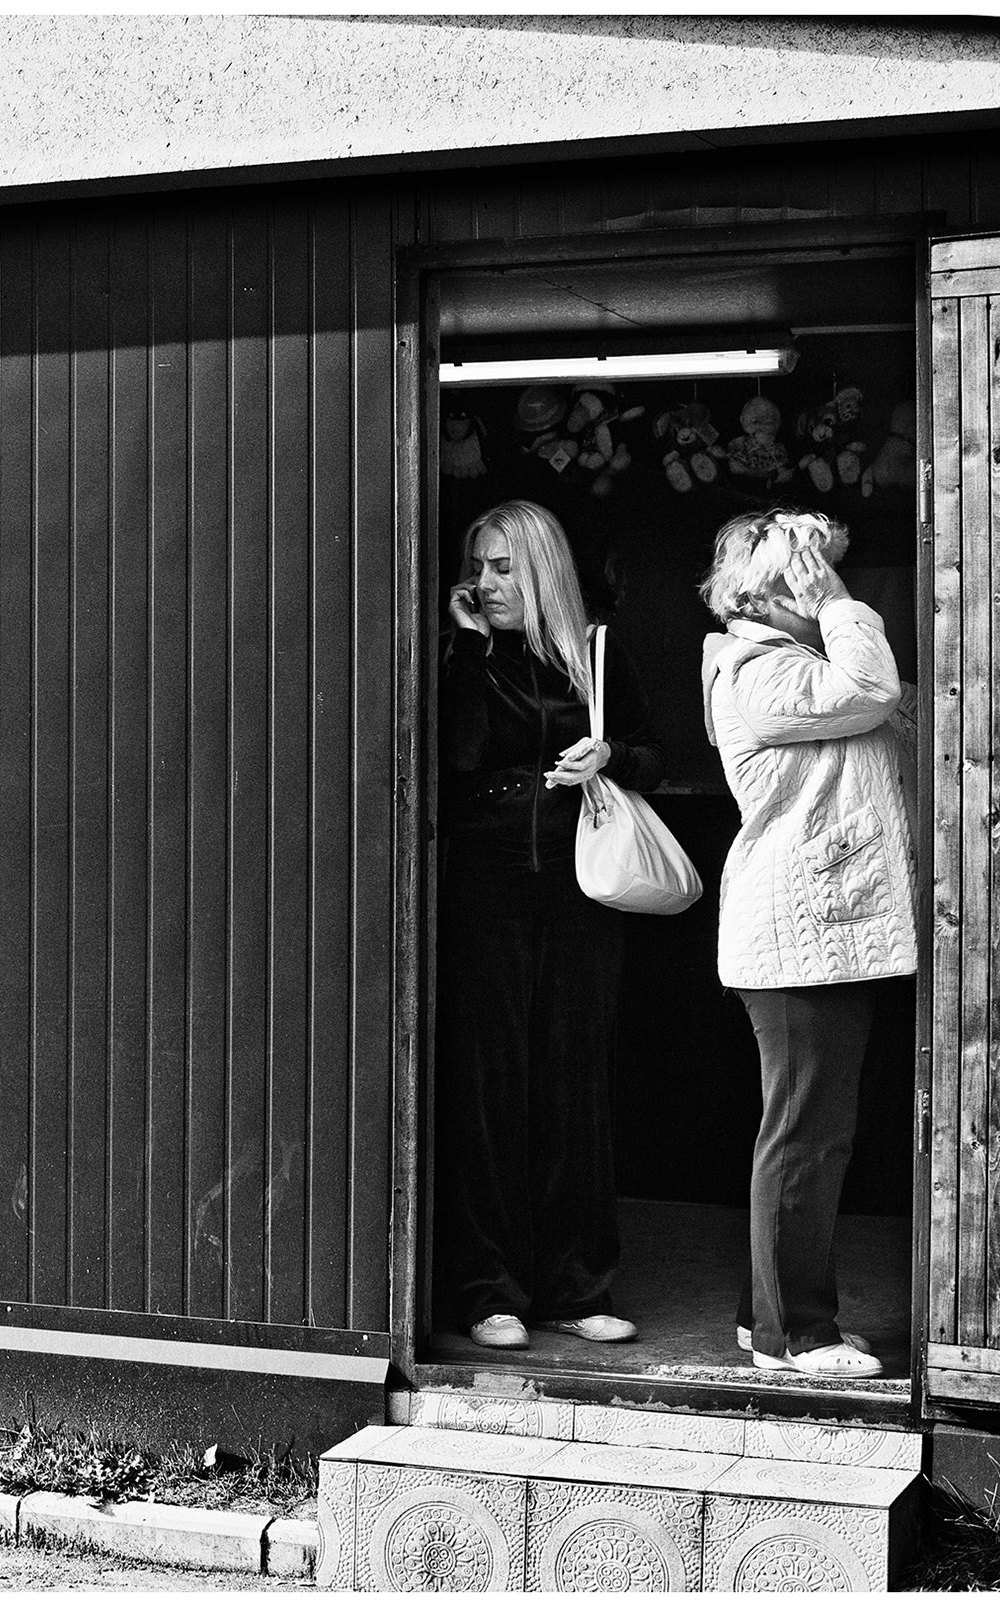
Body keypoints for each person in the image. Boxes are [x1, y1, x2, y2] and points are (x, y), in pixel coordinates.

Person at [437, 499, 665, 1349]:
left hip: (579, 891)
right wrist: (469, 645)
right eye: (479, 566)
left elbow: (653, 753)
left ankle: (576, 1287)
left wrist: (611, 756)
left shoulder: (595, 654)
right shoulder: (470, 655)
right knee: (489, 1091)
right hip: (487, 892)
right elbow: (454, 759)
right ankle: (489, 1289)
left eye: (503, 567)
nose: (487, 582)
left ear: (539, 568)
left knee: (574, 1088)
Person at [698, 508, 915, 1380]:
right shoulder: (760, 672)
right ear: (766, 591)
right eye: (804, 574)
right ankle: (799, 1335)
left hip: (819, 930)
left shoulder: (788, 666)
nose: (818, 584)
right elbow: (876, 691)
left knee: (809, 1131)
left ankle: (767, 1317)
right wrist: (839, 602)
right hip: (799, 935)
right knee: (803, 1137)